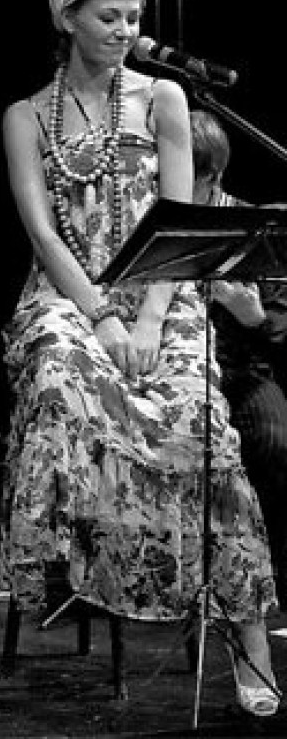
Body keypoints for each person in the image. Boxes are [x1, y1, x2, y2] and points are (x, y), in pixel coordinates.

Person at [0, 0, 279, 716]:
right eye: (109, 17)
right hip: (69, 294)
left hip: (162, 290)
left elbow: (179, 222)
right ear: (68, 19)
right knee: (57, 374)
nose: (125, 30)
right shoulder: (26, 116)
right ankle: (88, 567)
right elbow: (44, 235)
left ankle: (249, 639)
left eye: (133, 18)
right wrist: (98, 315)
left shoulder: (163, 99)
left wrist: (150, 316)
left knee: (205, 427)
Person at [191, 109, 287, 601]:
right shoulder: (155, 223)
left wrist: (252, 316)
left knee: (273, 437)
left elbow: (280, 329)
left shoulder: (257, 228)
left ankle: (263, 579)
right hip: (174, 367)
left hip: (239, 371)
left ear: (213, 176)